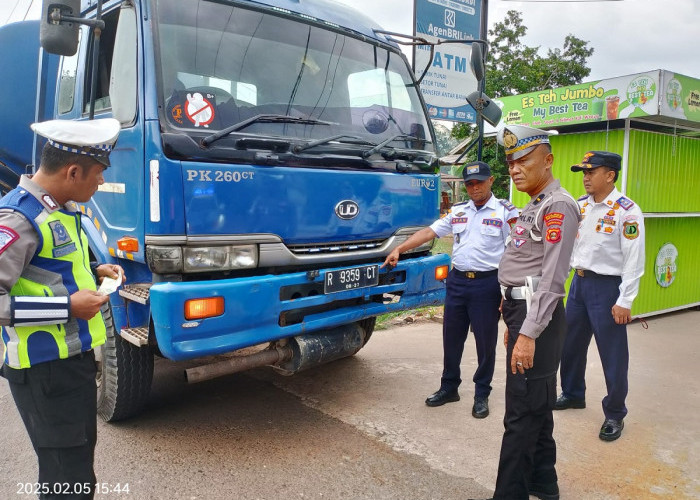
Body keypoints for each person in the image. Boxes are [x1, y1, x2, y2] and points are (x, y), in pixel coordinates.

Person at [0, 118, 125, 499]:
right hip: (44, 372)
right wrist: (66, 306)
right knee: (65, 478)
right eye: (99, 173)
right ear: (73, 171)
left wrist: (94, 269)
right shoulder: (18, 218)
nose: (101, 182)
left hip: (70, 365)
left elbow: (52, 267)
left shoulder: (58, 208)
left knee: (77, 466)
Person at [475, 125, 580, 500]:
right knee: (536, 405)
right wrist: (513, 317)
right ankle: (543, 483)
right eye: (511, 163)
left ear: (548, 161)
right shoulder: (535, 203)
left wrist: (529, 332)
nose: (515, 169)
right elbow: (526, 265)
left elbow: (552, 280)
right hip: (525, 311)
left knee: (520, 414)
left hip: (539, 317)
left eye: (524, 160)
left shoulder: (558, 206)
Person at [382, 161, 518, 418]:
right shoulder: (458, 211)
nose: (474, 188)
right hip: (457, 282)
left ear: (491, 181)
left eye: (479, 182)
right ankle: (449, 387)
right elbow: (429, 232)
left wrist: (506, 289)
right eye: (469, 183)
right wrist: (400, 249)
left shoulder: (505, 212)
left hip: (487, 284)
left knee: (485, 342)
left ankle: (481, 393)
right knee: (452, 338)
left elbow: (515, 252)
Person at [555, 151, 645, 442]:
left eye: (591, 172)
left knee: (613, 354)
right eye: (583, 173)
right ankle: (572, 394)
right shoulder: (580, 206)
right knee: (570, 345)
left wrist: (625, 300)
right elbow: (571, 249)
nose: (585, 178)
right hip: (579, 286)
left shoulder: (626, 211)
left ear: (610, 175)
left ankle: (615, 413)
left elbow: (634, 259)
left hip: (607, 290)